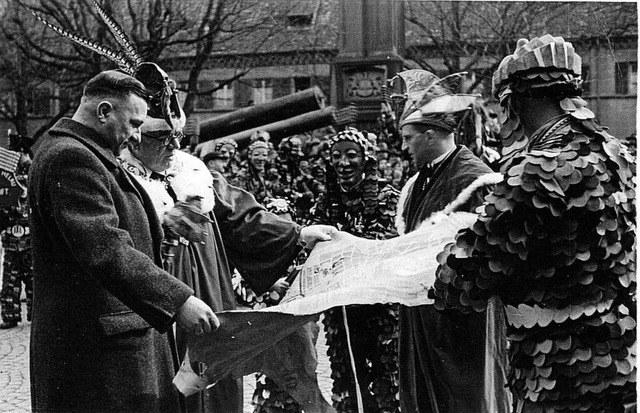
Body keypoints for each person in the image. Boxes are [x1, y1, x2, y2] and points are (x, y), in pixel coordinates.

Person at [431, 35, 636, 412]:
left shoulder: (534, 174)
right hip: (619, 361)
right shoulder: (617, 156)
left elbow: (462, 281)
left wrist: (444, 256)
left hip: (556, 378)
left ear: (516, 100)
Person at [28, 69, 221, 412]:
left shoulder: (85, 152)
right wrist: (178, 301)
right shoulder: (72, 158)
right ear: (103, 111)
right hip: (98, 358)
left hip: (107, 348)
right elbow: (105, 249)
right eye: (133, 124)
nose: (136, 137)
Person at [120, 113, 335, 413]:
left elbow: (242, 218)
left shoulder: (194, 175)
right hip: (160, 305)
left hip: (210, 294)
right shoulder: (119, 180)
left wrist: (298, 234)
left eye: (177, 137)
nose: (173, 146)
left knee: (215, 384)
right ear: (135, 137)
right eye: (162, 139)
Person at [391, 69, 509, 412]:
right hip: (421, 315)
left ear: (430, 135)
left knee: (461, 396)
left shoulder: (474, 179)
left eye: (408, 138)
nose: (403, 146)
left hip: (460, 323)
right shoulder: (416, 183)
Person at [310, 127, 401, 413]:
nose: (343, 163)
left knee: (387, 373)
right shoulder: (325, 202)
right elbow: (313, 249)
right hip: (341, 307)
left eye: (351, 155)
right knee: (347, 373)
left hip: (381, 305)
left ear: (366, 160)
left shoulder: (388, 198)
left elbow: (390, 245)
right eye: (336, 156)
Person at [0, 145, 33, 329]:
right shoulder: (7, 179)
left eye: (19, 154)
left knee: (33, 281)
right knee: (9, 282)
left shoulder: (34, 175)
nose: (17, 157)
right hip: (12, 239)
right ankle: (10, 315)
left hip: (30, 241)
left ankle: (35, 315)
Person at [231, 138, 273, 205]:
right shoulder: (241, 176)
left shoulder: (266, 173)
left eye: (264, 155)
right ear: (250, 156)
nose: (261, 159)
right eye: (256, 155)